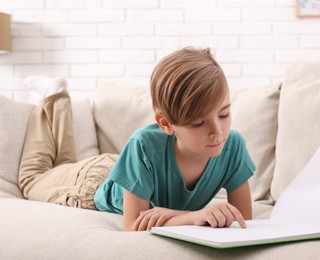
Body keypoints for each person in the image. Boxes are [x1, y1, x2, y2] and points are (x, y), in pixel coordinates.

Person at [18, 47, 256, 232]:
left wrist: (171, 215)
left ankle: (57, 98)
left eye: (224, 114)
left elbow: (244, 222)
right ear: (165, 124)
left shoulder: (232, 145)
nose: (218, 131)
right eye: (197, 123)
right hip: (91, 184)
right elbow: (133, 225)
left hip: (130, 174)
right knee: (32, 179)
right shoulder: (142, 144)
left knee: (62, 165)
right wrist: (192, 217)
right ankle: (53, 98)